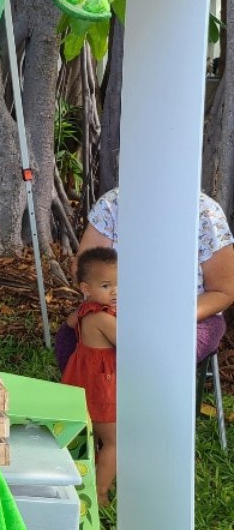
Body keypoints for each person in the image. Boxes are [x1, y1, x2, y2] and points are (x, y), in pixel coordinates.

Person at [55, 187, 234, 370]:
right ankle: (97, 396)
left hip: (190, 315)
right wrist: (113, 304)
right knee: (69, 343)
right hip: (115, 307)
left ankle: (129, 396)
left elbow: (223, 291)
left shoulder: (206, 212)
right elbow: (84, 269)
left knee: (155, 356)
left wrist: (170, 316)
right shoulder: (113, 203)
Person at [62, 247, 118, 502]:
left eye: (119, 284)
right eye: (106, 286)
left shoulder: (85, 310)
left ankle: (82, 480)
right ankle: (100, 492)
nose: (115, 291)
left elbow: (72, 322)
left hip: (83, 379)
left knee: (91, 436)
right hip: (102, 386)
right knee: (116, 442)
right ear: (86, 288)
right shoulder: (102, 318)